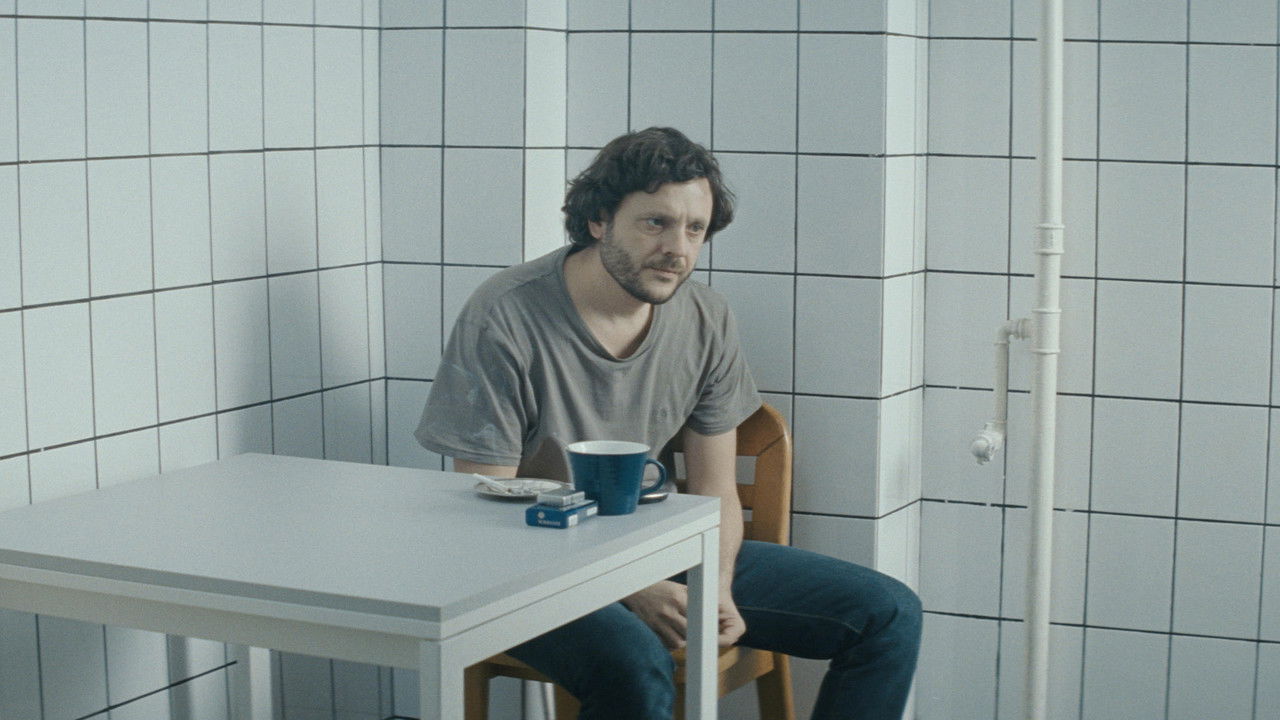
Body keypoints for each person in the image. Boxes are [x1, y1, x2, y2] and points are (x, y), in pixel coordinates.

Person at [415, 127, 921, 719]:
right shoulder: (505, 315)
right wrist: (629, 586)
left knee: (887, 615)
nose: (678, 249)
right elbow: (489, 511)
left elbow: (715, 492)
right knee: (634, 666)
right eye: (656, 223)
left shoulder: (705, 317)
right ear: (599, 220)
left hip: (659, 550)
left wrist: (717, 585)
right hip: (526, 568)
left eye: (695, 229)